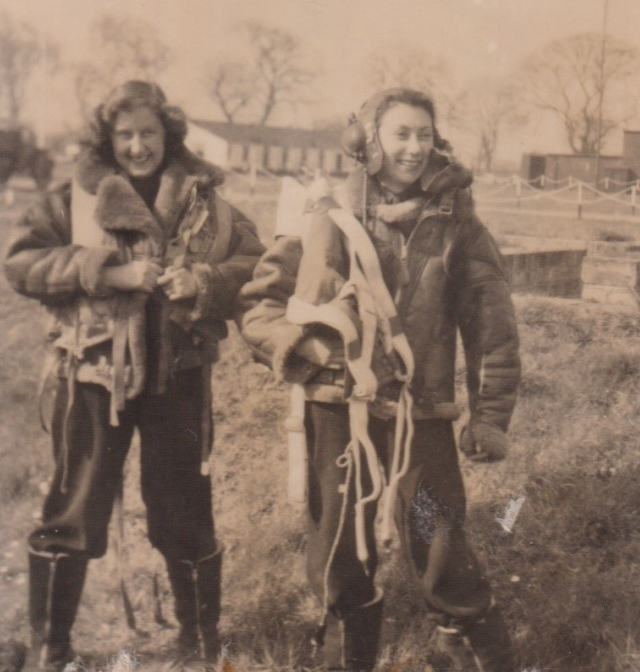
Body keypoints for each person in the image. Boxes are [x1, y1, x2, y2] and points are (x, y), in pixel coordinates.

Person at [240, 88, 521, 671]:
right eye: (400, 134)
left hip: (422, 414)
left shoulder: (457, 223)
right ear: (370, 142)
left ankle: (475, 652)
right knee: (338, 550)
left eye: (423, 134)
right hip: (336, 408)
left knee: (439, 541)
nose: (413, 148)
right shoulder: (323, 213)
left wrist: (489, 416)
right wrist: (301, 344)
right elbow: (261, 305)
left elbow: (494, 328)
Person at [4, 80, 264, 671]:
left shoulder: (204, 197)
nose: (138, 147)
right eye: (125, 135)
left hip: (180, 378)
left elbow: (257, 263)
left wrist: (202, 281)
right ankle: (52, 647)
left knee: (184, 509)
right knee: (73, 506)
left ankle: (199, 645)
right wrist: (105, 272)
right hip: (93, 376)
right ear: (108, 138)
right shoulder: (74, 196)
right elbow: (21, 261)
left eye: (149, 134)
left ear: (168, 135)